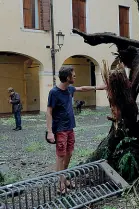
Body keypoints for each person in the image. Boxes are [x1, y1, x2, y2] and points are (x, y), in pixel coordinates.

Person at [46, 66, 106, 194]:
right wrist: (50, 132)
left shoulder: (70, 89)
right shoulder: (54, 92)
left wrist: (98, 87)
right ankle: (60, 184)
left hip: (70, 128)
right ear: (67, 77)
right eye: (73, 75)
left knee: (69, 154)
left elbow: (82, 88)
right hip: (60, 129)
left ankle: (64, 177)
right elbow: (49, 112)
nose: (75, 77)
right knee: (61, 156)